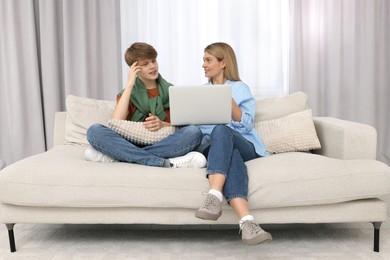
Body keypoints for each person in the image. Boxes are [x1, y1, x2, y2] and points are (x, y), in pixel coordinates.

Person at [194, 42, 272, 245]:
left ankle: (213, 196)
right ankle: (247, 223)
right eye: (203, 60)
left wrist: (225, 97)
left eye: (208, 60)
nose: (203, 64)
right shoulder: (201, 92)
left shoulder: (240, 88)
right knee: (231, 156)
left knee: (222, 129)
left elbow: (246, 125)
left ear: (223, 63)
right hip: (217, 147)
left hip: (245, 143)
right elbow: (197, 126)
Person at [86, 42, 206, 168]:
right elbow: (116, 123)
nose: (152, 66)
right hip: (130, 143)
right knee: (94, 131)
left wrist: (162, 124)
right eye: (145, 64)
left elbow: (183, 125)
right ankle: (161, 161)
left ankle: (122, 156)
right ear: (135, 69)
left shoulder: (172, 91)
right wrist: (130, 84)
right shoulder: (127, 93)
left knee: (194, 132)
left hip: (163, 143)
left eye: (153, 61)